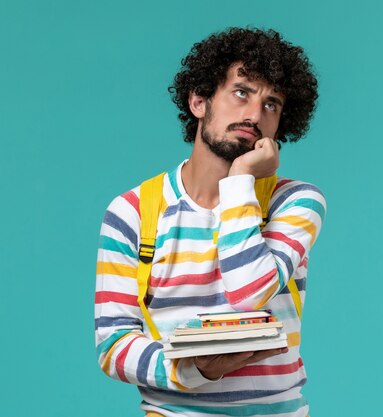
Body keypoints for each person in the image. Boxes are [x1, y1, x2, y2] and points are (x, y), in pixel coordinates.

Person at [95, 27, 325, 417]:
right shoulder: (132, 211)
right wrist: (194, 369)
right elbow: (113, 345)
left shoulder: (295, 201)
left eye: (272, 104)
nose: (254, 114)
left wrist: (239, 181)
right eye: (241, 93)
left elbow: (249, 293)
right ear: (199, 100)